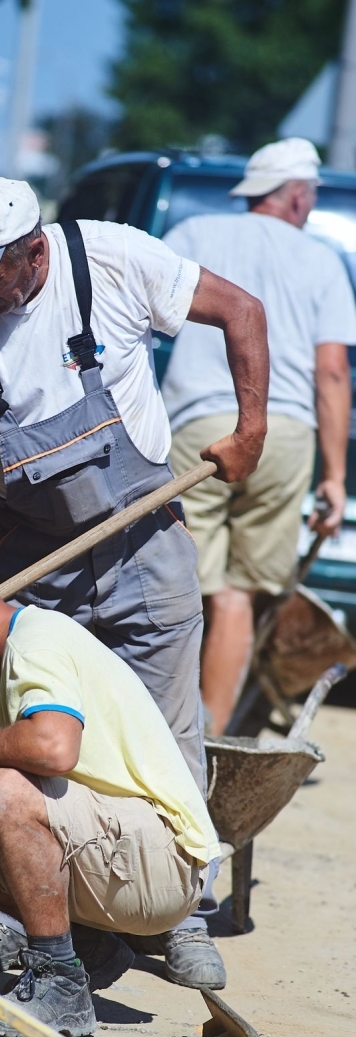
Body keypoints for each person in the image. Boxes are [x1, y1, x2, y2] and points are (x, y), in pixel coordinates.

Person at [0, 175, 269, 989]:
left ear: (32, 253)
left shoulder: (110, 258)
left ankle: (183, 915)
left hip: (144, 539)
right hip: (37, 558)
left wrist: (250, 427)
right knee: (35, 739)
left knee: (168, 730)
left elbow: (243, 310)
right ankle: (42, 908)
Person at [0, 524, 221, 1037]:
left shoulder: (36, 640)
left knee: (3, 788)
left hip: (163, 863)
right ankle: (83, 946)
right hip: (107, 848)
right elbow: (19, 831)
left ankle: (60, 984)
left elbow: (53, 748)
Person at [163, 138, 356, 735]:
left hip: (197, 424)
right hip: (285, 433)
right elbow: (331, 372)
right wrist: (333, 476)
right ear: (298, 194)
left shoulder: (193, 235)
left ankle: (161, 729)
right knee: (238, 596)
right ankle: (210, 744)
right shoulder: (322, 260)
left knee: (177, 589)